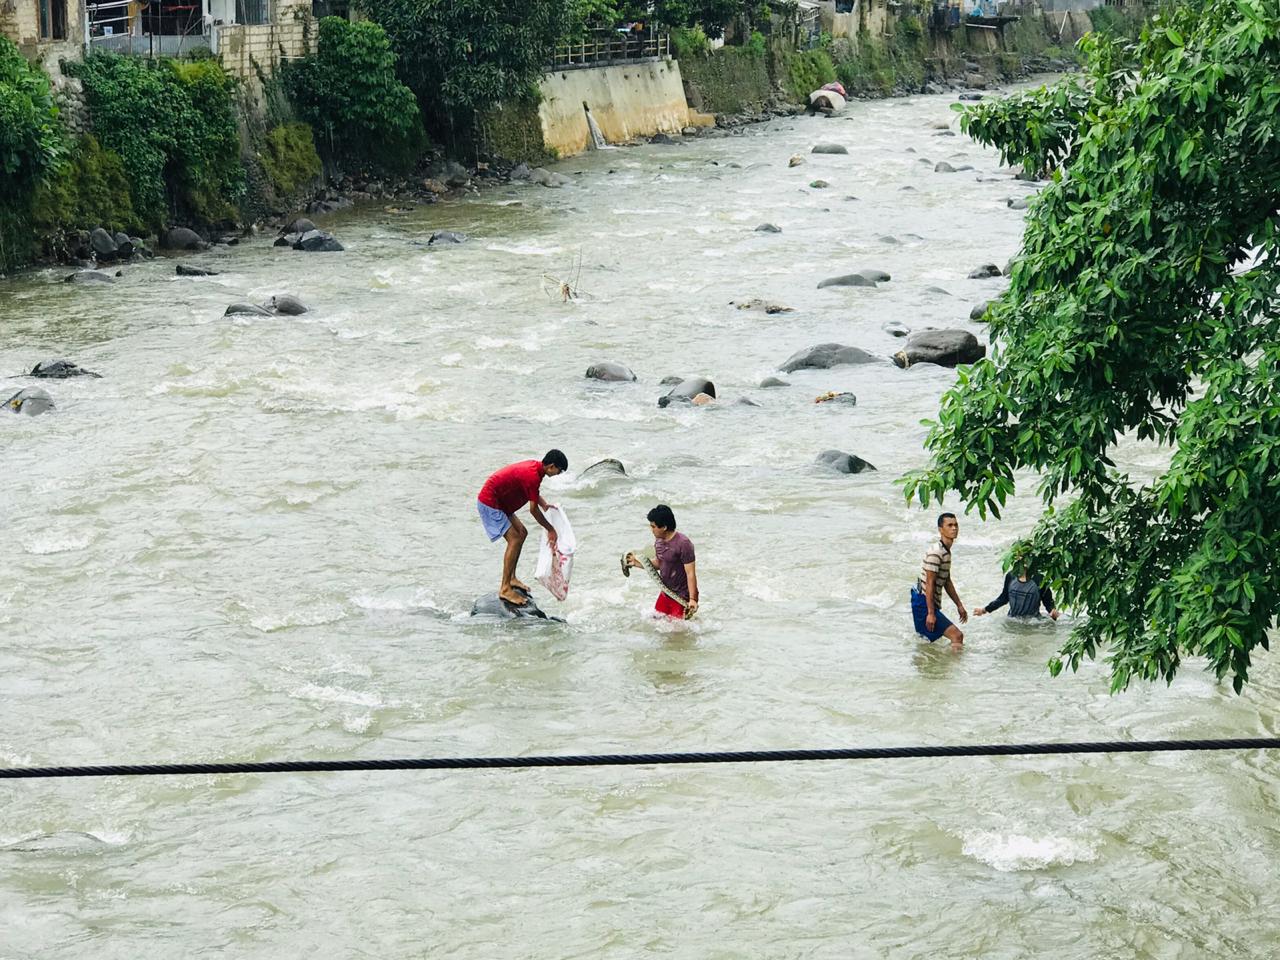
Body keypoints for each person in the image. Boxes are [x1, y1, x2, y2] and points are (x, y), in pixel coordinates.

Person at [477, 450, 568, 606]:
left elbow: (532, 492)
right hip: (491, 502)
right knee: (514, 539)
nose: (558, 474)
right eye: (559, 471)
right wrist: (551, 529)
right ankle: (505, 588)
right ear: (552, 466)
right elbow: (533, 510)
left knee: (522, 533)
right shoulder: (533, 475)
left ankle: (511, 578)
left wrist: (544, 504)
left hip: (502, 503)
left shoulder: (536, 469)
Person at [627, 504, 698, 619]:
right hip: (666, 593)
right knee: (655, 624)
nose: (651, 530)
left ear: (664, 527)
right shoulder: (658, 542)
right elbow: (660, 564)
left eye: (653, 526)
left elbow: (691, 573)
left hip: (681, 597)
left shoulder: (684, 544)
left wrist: (693, 599)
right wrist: (636, 563)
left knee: (677, 634)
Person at [910, 512, 967, 647]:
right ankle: (956, 667)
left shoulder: (945, 551)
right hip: (923, 602)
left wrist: (959, 605)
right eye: (950, 525)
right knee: (957, 636)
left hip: (925, 602)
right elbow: (930, 583)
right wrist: (930, 613)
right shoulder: (937, 552)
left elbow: (947, 581)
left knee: (928, 643)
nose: (954, 528)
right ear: (941, 529)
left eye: (956, 525)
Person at [974, 568, 1061, 620]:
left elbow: (1048, 601)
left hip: (1033, 623)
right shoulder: (1011, 576)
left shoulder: (1039, 579)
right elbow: (1003, 598)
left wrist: (1052, 612)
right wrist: (984, 610)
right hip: (1012, 620)